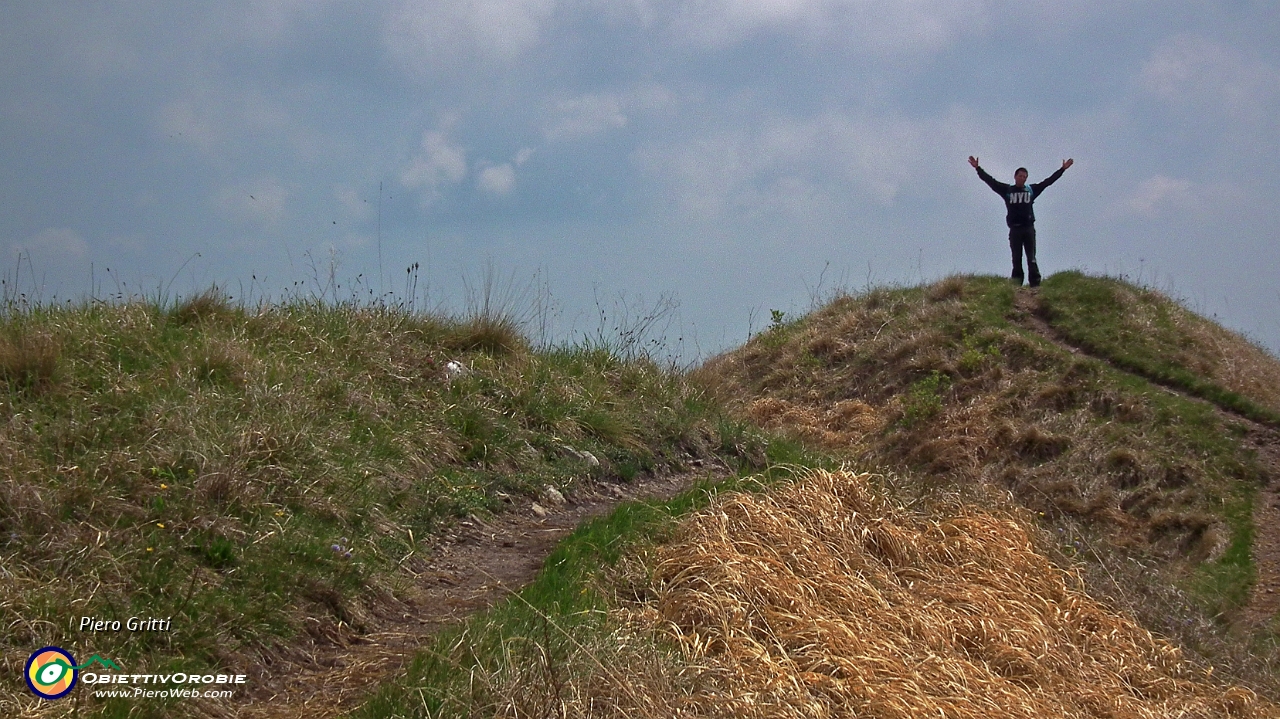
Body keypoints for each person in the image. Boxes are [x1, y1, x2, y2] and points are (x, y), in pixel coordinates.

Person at [968, 156, 1073, 287]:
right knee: (1016, 258)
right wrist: (978, 168)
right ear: (1015, 176)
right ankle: (1016, 284)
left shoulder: (1031, 190)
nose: (1022, 178)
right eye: (1020, 176)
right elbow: (991, 182)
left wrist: (1062, 169)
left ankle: (1035, 284)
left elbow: (1048, 182)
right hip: (1015, 229)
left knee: (1032, 258)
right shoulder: (1007, 190)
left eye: (1025, 177)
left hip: (1028, 228)